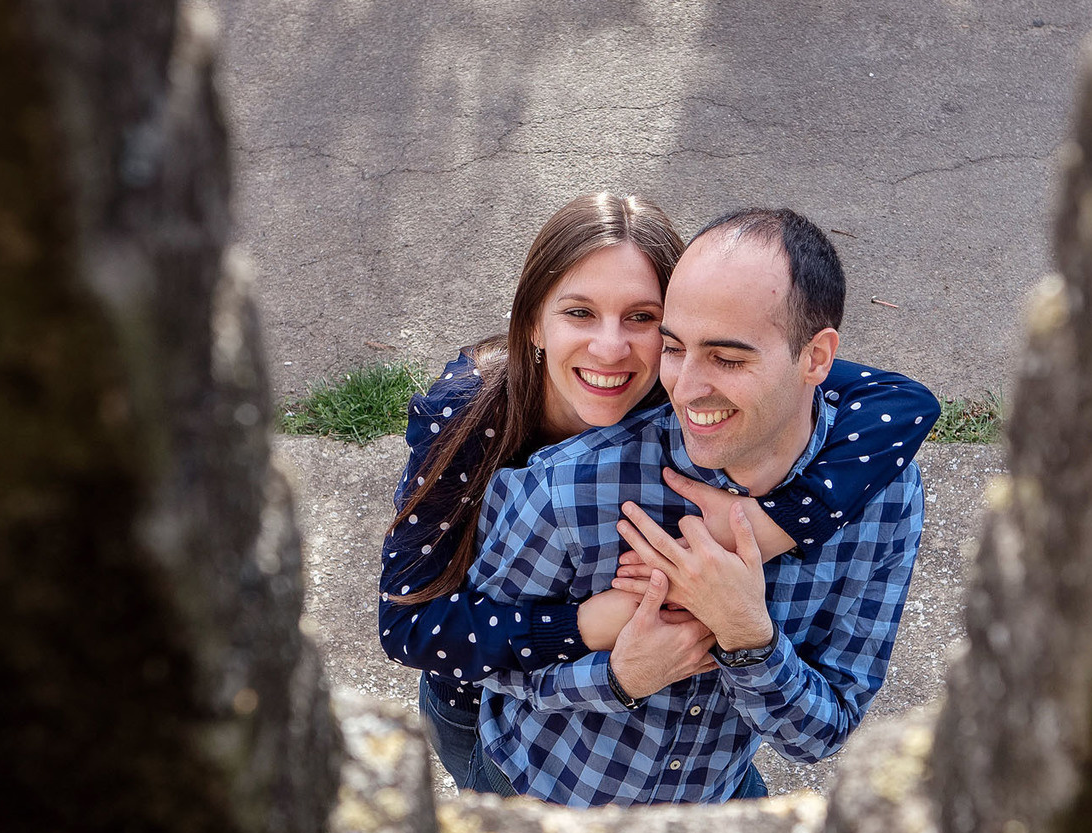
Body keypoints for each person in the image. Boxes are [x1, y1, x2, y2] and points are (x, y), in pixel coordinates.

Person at [379, 194, 937, 795]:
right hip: (478, 693)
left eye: (645, 322)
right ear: (534, 322)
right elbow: (412, 626)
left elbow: (905, 402)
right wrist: (603, 639)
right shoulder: (490, 430)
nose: (612, 350)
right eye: (579, 313)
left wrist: (773, 539)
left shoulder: (866, 477)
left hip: (702, 783)